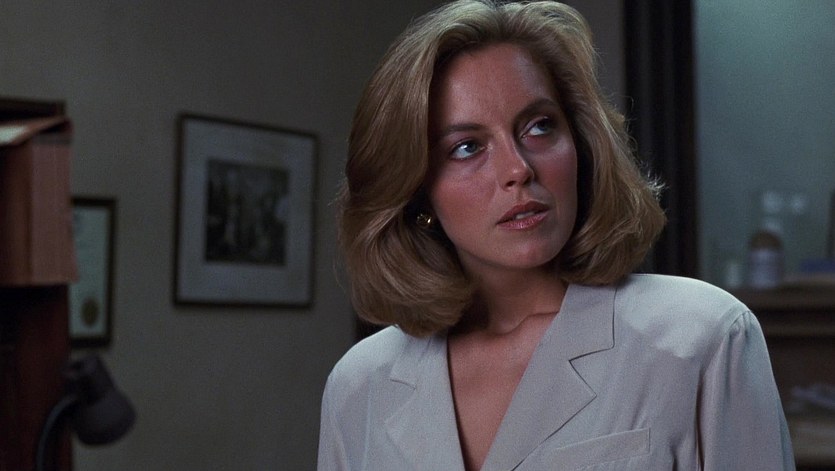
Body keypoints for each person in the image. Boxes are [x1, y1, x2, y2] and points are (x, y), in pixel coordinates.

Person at [318, 1, 795, 469]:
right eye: (466, 147)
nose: (518, 169)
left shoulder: (701, 337)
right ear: (418, 191)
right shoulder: (360, 386)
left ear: (580, 145)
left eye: (539, 126)